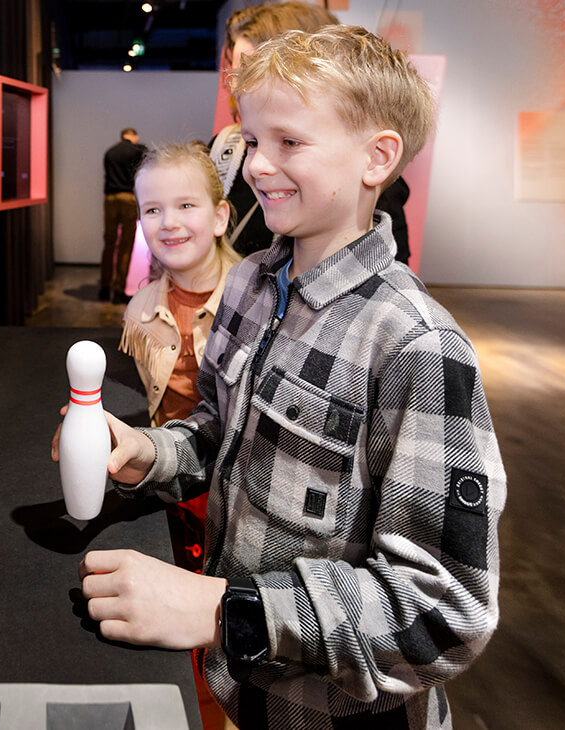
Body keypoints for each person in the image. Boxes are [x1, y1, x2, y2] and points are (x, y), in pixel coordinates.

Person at [54, 26, 505, 728]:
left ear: (376, 158)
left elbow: (445, 611)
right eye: (255, 141)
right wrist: (150, 453)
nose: (260, 166)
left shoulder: (418, 346)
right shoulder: (250, 285)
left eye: (289, 143)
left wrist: (226, 609)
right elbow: (219, 435)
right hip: (244, 693)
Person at [118, 141, 241, 730]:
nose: (169, 223)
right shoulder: (140, 310)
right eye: (152, 210)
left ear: (219, 217)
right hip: (175, 483)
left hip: (239, 493)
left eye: (186, 205)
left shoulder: (262, 304)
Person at [214, 2, 413, 263]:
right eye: (237, 71)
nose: (236, 85)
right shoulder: (223, 150)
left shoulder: (365, 181)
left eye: (291, 142)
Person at [101, 128, 147, 302]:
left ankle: (105, 287)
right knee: (126, 246)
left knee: (109, 243)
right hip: (128, 198)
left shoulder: (110, 152)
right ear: (135, 137)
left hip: (110, 199)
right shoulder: (138, 150)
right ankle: (119, 289)